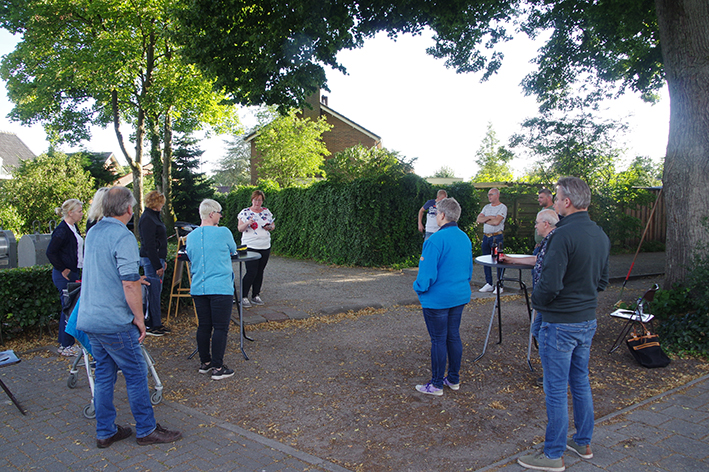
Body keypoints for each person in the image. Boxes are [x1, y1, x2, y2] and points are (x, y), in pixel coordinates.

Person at [77, 186, 181, 448]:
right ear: (128, 209)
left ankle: (105, 431)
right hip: (114, 321)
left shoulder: (94, 232)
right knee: (136, 373)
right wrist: (140, 318)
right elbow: (128, 284)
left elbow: (107, 272)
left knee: (103, 375)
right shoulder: (122, 236)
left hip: (90, 318)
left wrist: (135, 278)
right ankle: (146, 429)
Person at [517, 177, 610, 472]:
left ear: (567, 202)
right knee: (580, 381)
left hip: (560, 322)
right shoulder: (600, 235)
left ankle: (553, 454)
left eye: (556, 198)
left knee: (555, 388)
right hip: (587, 320)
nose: (554, 202)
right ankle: (583, 442)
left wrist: (540, 307)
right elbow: (603, 281)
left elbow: (549, 284)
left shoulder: (562, 236)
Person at [413, 197, 473, 396]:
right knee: (453, 336)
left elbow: (426, 275)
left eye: (437, 212)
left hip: (438, 299)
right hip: (459, 295)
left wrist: (419, 288)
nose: (435, 216)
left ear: (443, 215)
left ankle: (437, 384)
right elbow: (468, 269)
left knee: (438, 339)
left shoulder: (435, 240)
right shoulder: (464, 237)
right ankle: (453, 379)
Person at [187, 199, 237, 380]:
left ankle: (205, 362)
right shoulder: (223, 232)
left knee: (204, 326)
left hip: (199, 287)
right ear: (211, 214)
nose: (220, 216)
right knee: (221, 328)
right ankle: (217, 367)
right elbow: (233, 250)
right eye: (219, 212)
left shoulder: (191, 236)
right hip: (220, 287)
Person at [46, 198, 84, 357]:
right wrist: (63, 268)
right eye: (79, 211)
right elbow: (51, 251)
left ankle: (67, 343)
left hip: (74, 271)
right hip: (65, 275)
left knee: (71, 307)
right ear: (71, 213)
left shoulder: (73, 227)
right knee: (68, 308)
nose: (82, 214)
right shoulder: (62, 230)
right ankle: (65, 344)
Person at [237, 190, 275, 308]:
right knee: (251, 271)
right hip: (250, 246)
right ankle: (243, 296)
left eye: (260, 200)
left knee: (260, 271)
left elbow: (273, 225)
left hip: (264, 245)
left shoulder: (266, 211)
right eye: (255, 199)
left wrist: (270, 227)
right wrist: (248, 222)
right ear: (252, 200)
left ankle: (255, 295)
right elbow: (240, 228)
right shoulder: (245, 212)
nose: (257, 202)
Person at [139, 190, 169, 336]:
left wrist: (162, 260)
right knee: (153, 292)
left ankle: (156, 322)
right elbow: (149, 244)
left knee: (156, 291)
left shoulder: (154, 217)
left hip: (157, 258)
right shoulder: (148, 219)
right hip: (151, 260)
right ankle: (152, 324)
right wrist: (157, 264)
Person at [476, 188, 507, 294]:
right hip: (486, 237)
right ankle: (489, 283)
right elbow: (479, 220)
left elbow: (496, 222)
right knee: (486, 259)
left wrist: (486, 219)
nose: (489, 196)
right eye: (488, 195)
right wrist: (489, 217)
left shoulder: (502, 207)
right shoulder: (486, 207)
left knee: (499, 259)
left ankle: (500, 284)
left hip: (496, 237)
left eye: (491, 194)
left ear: (497, 195)